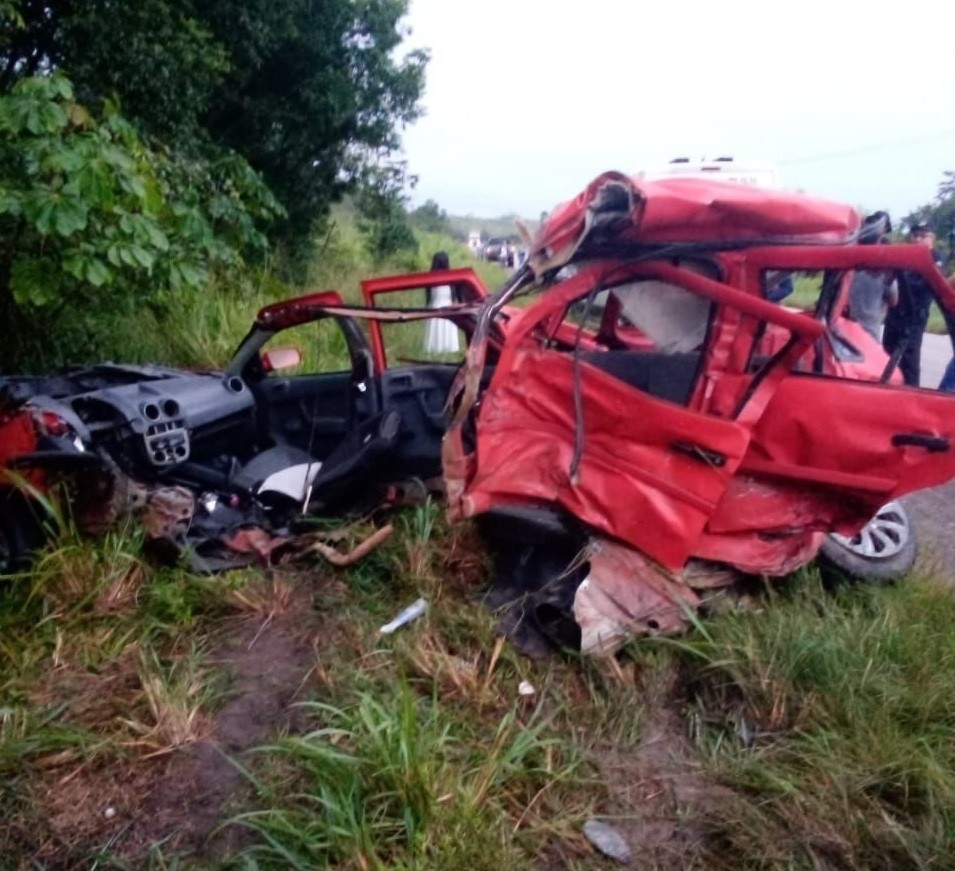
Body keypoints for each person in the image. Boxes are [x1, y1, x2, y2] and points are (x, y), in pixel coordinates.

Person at [882, 222, 943, 386]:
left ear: (932, 238)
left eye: (923, 236)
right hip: (896, 312)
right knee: (885, 354)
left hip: (915, 316)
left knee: (910, 360)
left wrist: (900, 281)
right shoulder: (907, 255)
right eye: (915, 235)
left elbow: (922, 284)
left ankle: (911, 392)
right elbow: (890, 280)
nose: (918, 239)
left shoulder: (935, 257)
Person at [848, 211, 898, 340]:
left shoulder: (850, 255)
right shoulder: (887, 264)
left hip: (846, 324)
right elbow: (893, 300)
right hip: (868, 329)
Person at [424, 251, 460, 355]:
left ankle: (435, 349)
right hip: (448, 308)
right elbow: (454, 297)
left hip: (435, 307)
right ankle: (448, 348)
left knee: (436, 331)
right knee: (447, 330)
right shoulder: (451, 277)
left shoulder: (430, 278)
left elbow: (429, 297)